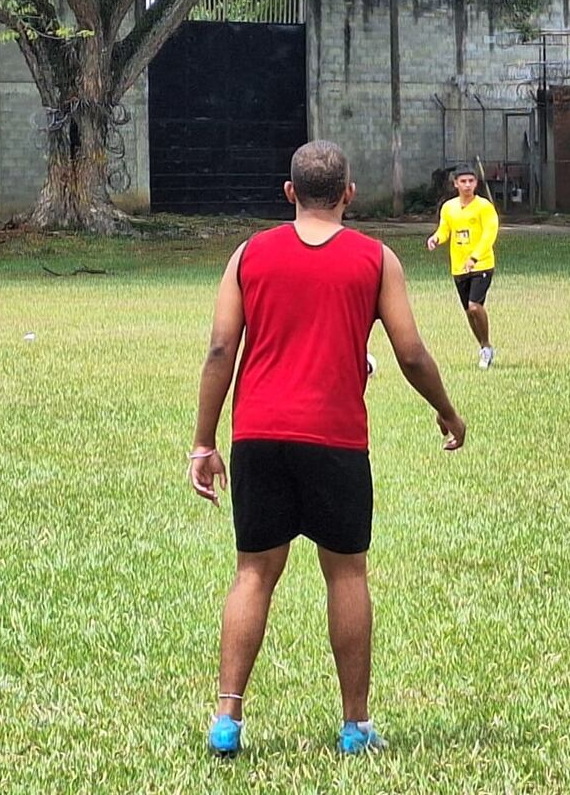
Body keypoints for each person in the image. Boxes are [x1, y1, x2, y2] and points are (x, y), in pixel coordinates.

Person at [188, 140, 465, 758]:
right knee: (346, 574)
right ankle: (355, 725)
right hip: (336, 438)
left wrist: (203, 442)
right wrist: (447, 411)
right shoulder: (375, 259)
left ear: (289, 192)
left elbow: (218, 352)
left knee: (253, 573)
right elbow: (412, 352)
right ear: (350, 193)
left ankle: (227, 718)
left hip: (258, 434)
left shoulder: (249, 255)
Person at [427, 164, 500, 369]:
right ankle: (483, 347)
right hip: (459, 267)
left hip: (481, 264)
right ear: (456, 183)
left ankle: (486, 346)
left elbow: (489, 234)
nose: (467, 185)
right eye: (463, 181)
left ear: (476, 183)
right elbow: (445, 230)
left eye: (471, 181)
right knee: (469, 312)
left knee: (475, 306)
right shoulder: (449, 207)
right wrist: (436, 239)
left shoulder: (484, 207)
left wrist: (475, 257)